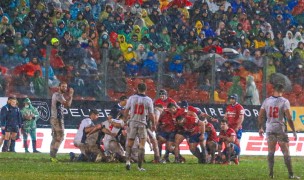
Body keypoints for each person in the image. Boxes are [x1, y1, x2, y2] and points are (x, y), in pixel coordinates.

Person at [258, 84, 300, 179]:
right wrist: (293, 131)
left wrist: (260, 127)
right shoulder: (284, 101)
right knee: (286, 152)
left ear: (274, 90)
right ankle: (291, 174)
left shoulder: (267, 101)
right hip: (280, 129)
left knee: (271, 151)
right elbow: (289, 118)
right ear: (282, 90)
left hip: (269, 129)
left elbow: (260, 115)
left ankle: (271, 173)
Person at [123, 83, 155, 171]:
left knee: (129, 143)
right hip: (142, 123)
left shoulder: (132, 98)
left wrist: (125, 121)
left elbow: (126, 110)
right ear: (146, 89)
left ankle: (128, 162)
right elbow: (151, 114)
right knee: (142, 145)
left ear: (137, 89)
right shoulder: (148, 100)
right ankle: (139, 167)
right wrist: (154, 124)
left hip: (132, 122)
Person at [50, 82, 74, 162]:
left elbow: (68, 104)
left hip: (54, 118)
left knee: (55, 137)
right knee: (60, 137)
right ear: (59, 87)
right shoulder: (58, 95)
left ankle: (52, 156)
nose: (65, 88)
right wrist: (70, 95)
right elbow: (67, 104)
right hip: (57, 119)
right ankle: (53, 156)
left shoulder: (58, 95)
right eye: (63, 86)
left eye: (66, 87)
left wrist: (70, 97)